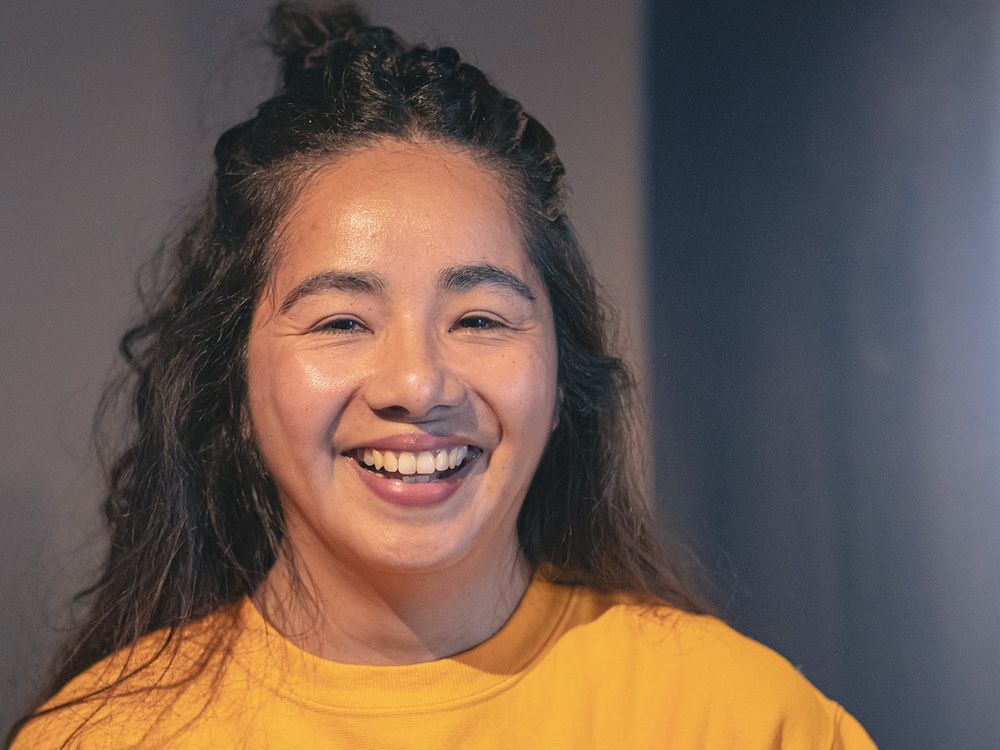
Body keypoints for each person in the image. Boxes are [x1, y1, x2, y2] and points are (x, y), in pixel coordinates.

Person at [7, 3, 875, 748]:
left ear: (563, 375)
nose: (418, 386)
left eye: (480, 320)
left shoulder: (737, 719)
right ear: (230, 384)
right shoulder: (104, 738)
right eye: (342, 320)